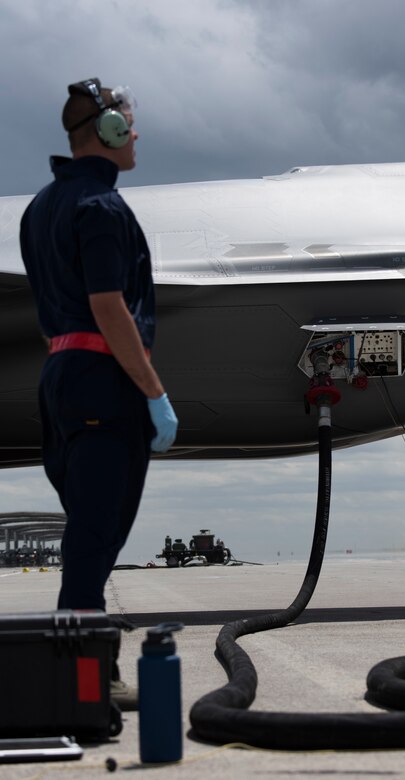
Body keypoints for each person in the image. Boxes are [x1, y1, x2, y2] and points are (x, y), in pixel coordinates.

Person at [19, 77, 178, 707]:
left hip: (60, 379)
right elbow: (109, 307)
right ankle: (83, 677)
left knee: (89, 530)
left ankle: (85, 672)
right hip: (103, 385)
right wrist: (154, 393)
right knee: (95, 534)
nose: (136, 135)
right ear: (108, 132)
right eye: (129, 124)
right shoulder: (104, 210)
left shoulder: (41, 207)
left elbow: (48, 312)